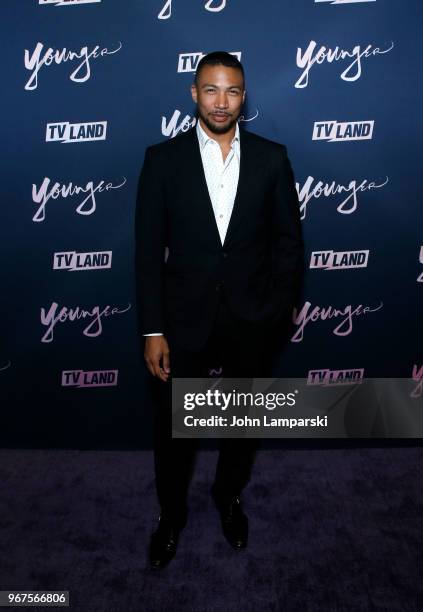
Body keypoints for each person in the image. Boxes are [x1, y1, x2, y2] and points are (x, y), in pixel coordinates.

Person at [135, 51, 304, 570]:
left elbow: (288, 245)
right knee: (172, 429)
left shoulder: (273, 158)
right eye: (211, 89)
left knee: (241, 424)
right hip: (183, 322)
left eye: (232, 91)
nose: (222, 101)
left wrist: (274, 312)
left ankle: (228, 498)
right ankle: (171, 516)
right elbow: (146, 251)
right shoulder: (162, 160)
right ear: (194, 93)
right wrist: (153, 329)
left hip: (251, 321)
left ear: (243, 96)